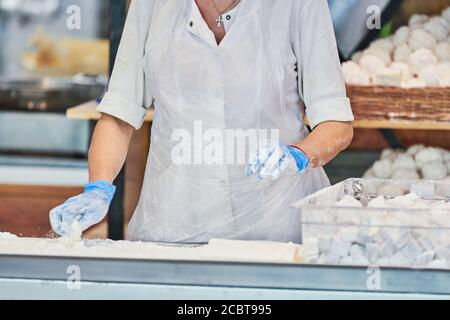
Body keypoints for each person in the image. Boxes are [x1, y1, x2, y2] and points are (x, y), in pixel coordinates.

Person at [50, 0, 354, 244]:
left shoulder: (300, 5)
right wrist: (98, 187)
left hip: (276, 230)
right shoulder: (152, 5)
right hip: (174, 228)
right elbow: (119, 115)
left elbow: (336, 124)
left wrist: (298, 156)